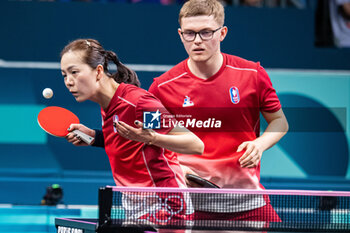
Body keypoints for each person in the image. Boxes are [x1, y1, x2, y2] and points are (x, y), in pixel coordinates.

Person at [147, 0, 288, 229]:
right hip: (189, 204)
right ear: (181, 35)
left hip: (245, 202)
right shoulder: (161, 87)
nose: (198, 40)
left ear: (222, 33)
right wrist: (175, 168)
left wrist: (260, 145)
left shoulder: (253, 74)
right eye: (190, 34)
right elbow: (147, 141)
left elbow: (279, 122)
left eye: (206, 32)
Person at [60, 39, 204, 230]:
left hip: (167, 206)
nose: (68, 81)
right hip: (135, 207)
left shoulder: (138, 104)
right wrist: (95, 137)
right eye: (64, 75)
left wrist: (151, 137)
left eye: (74, 72)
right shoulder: (107, 105)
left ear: (99, 71)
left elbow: (195, 144)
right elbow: (130, 142)